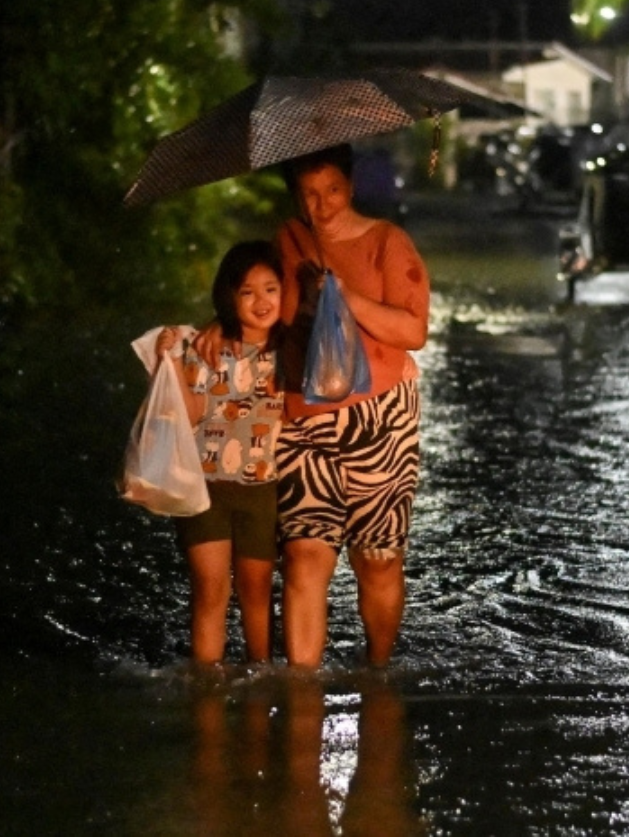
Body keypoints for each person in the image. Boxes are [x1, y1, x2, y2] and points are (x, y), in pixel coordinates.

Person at [196, 143, 429, 669]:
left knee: (378, 561)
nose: (321, 206)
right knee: (303, 556)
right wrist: (222, 323)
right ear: (294, 197)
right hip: (302, 418)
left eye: (331, 191)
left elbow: (413, 331)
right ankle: (303, 695)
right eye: (308, 195)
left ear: (349, 185)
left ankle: (378, 672)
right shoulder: (289, 240)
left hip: (382, 421)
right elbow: (263, 301)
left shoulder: (388, 241)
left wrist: (347, 297)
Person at [156, 240, 285, 664]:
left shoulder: (290, 351)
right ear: (229, 297)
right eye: (247, 291)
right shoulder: (206, 348)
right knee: (210, 590)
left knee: (257, 591)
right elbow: (190, 414)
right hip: (203, 488)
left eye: (271, 288)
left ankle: (260, 677)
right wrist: (172, 362)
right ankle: (207, 692)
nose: (261, 301)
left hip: (261, 489)